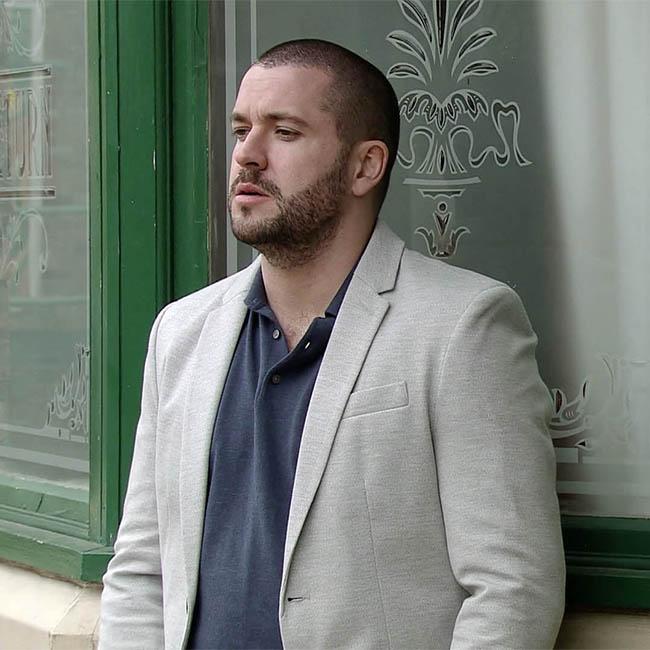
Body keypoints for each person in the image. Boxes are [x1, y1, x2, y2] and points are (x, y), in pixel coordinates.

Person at [100, 39, 565, 649]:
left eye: (284, 132)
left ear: (365, 166)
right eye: (241, 130)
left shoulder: (463, 325)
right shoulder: (181, 332)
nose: (247, 155)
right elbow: (142, 568)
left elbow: (514, 588)